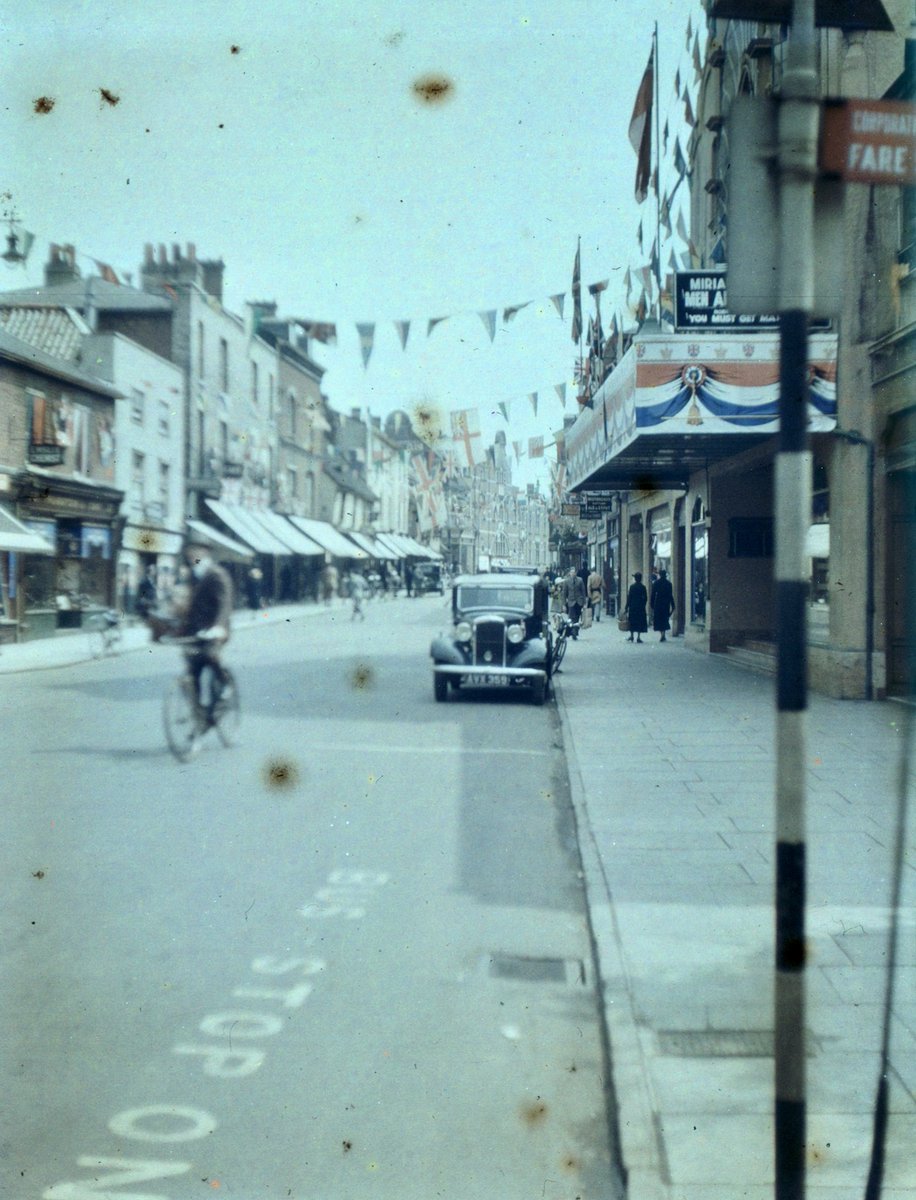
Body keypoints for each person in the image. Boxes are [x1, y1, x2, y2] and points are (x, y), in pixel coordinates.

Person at [178, 539, 234, 732]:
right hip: (196, 630)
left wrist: (218, 626)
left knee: (210, 656)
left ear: (206, 552)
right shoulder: (192, 575)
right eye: (190, 550)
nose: (192, 554)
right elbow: (186, 604)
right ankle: (199, 715)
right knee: (191, 671)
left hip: (216, 629)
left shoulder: (217, 574)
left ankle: (225, 683)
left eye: (196, 550)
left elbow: (224, 604)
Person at [650, 568, 675, 642]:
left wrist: (652, 604)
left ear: (660, 575)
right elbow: (670, 595)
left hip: (658, 603)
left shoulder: (656, 583)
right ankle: (663, 634)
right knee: (664, 619)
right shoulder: (669, 584)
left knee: (659, 619)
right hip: (666, 603)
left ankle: (662, 634)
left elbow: (653, 594)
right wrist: (672, 604)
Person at [624, 571, 649, 644]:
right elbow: (645, 598)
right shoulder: (643, 587)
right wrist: (643, 604)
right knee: (639, 621)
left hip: (633, 607)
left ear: (635, 579)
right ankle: (638, 637)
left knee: (632, 621)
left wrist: (626, 607)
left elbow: (629, 598)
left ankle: (631, 636)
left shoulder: (632, 587)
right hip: (640, 607)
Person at [561, 566, 585, 638]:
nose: (573, 574)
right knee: (571, 617)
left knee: (577, 617)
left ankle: (576, 631)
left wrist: (584, 603)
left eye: (574, 572)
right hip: (571, 602)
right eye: (571, 572)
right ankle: (573, 632)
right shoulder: (566, 581)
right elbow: (564, 593)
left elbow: (583, 592)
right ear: (569, 573)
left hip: (579, 601)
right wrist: (564, 604)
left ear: (576, 573)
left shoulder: (580, 580)